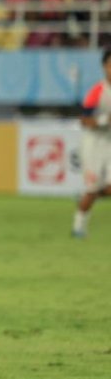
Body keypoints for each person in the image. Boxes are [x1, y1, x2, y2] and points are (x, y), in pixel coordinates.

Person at [73, 49, 111, 238]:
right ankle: (79, 227)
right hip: (94, 143)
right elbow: (84, 120)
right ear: (104, 67)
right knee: (92, 188)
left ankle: (87, 197)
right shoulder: (97, 91)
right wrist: (104, 121)